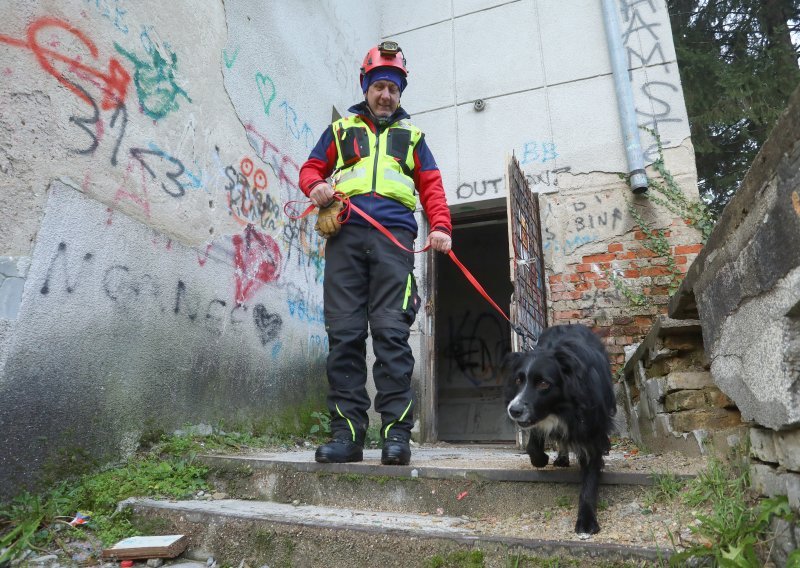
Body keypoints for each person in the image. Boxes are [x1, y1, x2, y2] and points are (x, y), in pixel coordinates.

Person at [299, 41, 452, 465]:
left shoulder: (414, 137)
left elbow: (432, 187)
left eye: (394, 88)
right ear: (365, 86)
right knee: (344, 335)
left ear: (401, 94)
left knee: (391, 334)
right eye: (380, 86)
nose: (386, 95)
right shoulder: (341, 130)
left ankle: (396, 438)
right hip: (345, 238)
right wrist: (316, 187)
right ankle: (347, 436)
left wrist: (440, 227)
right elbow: (311, 168)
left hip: (395, 241)